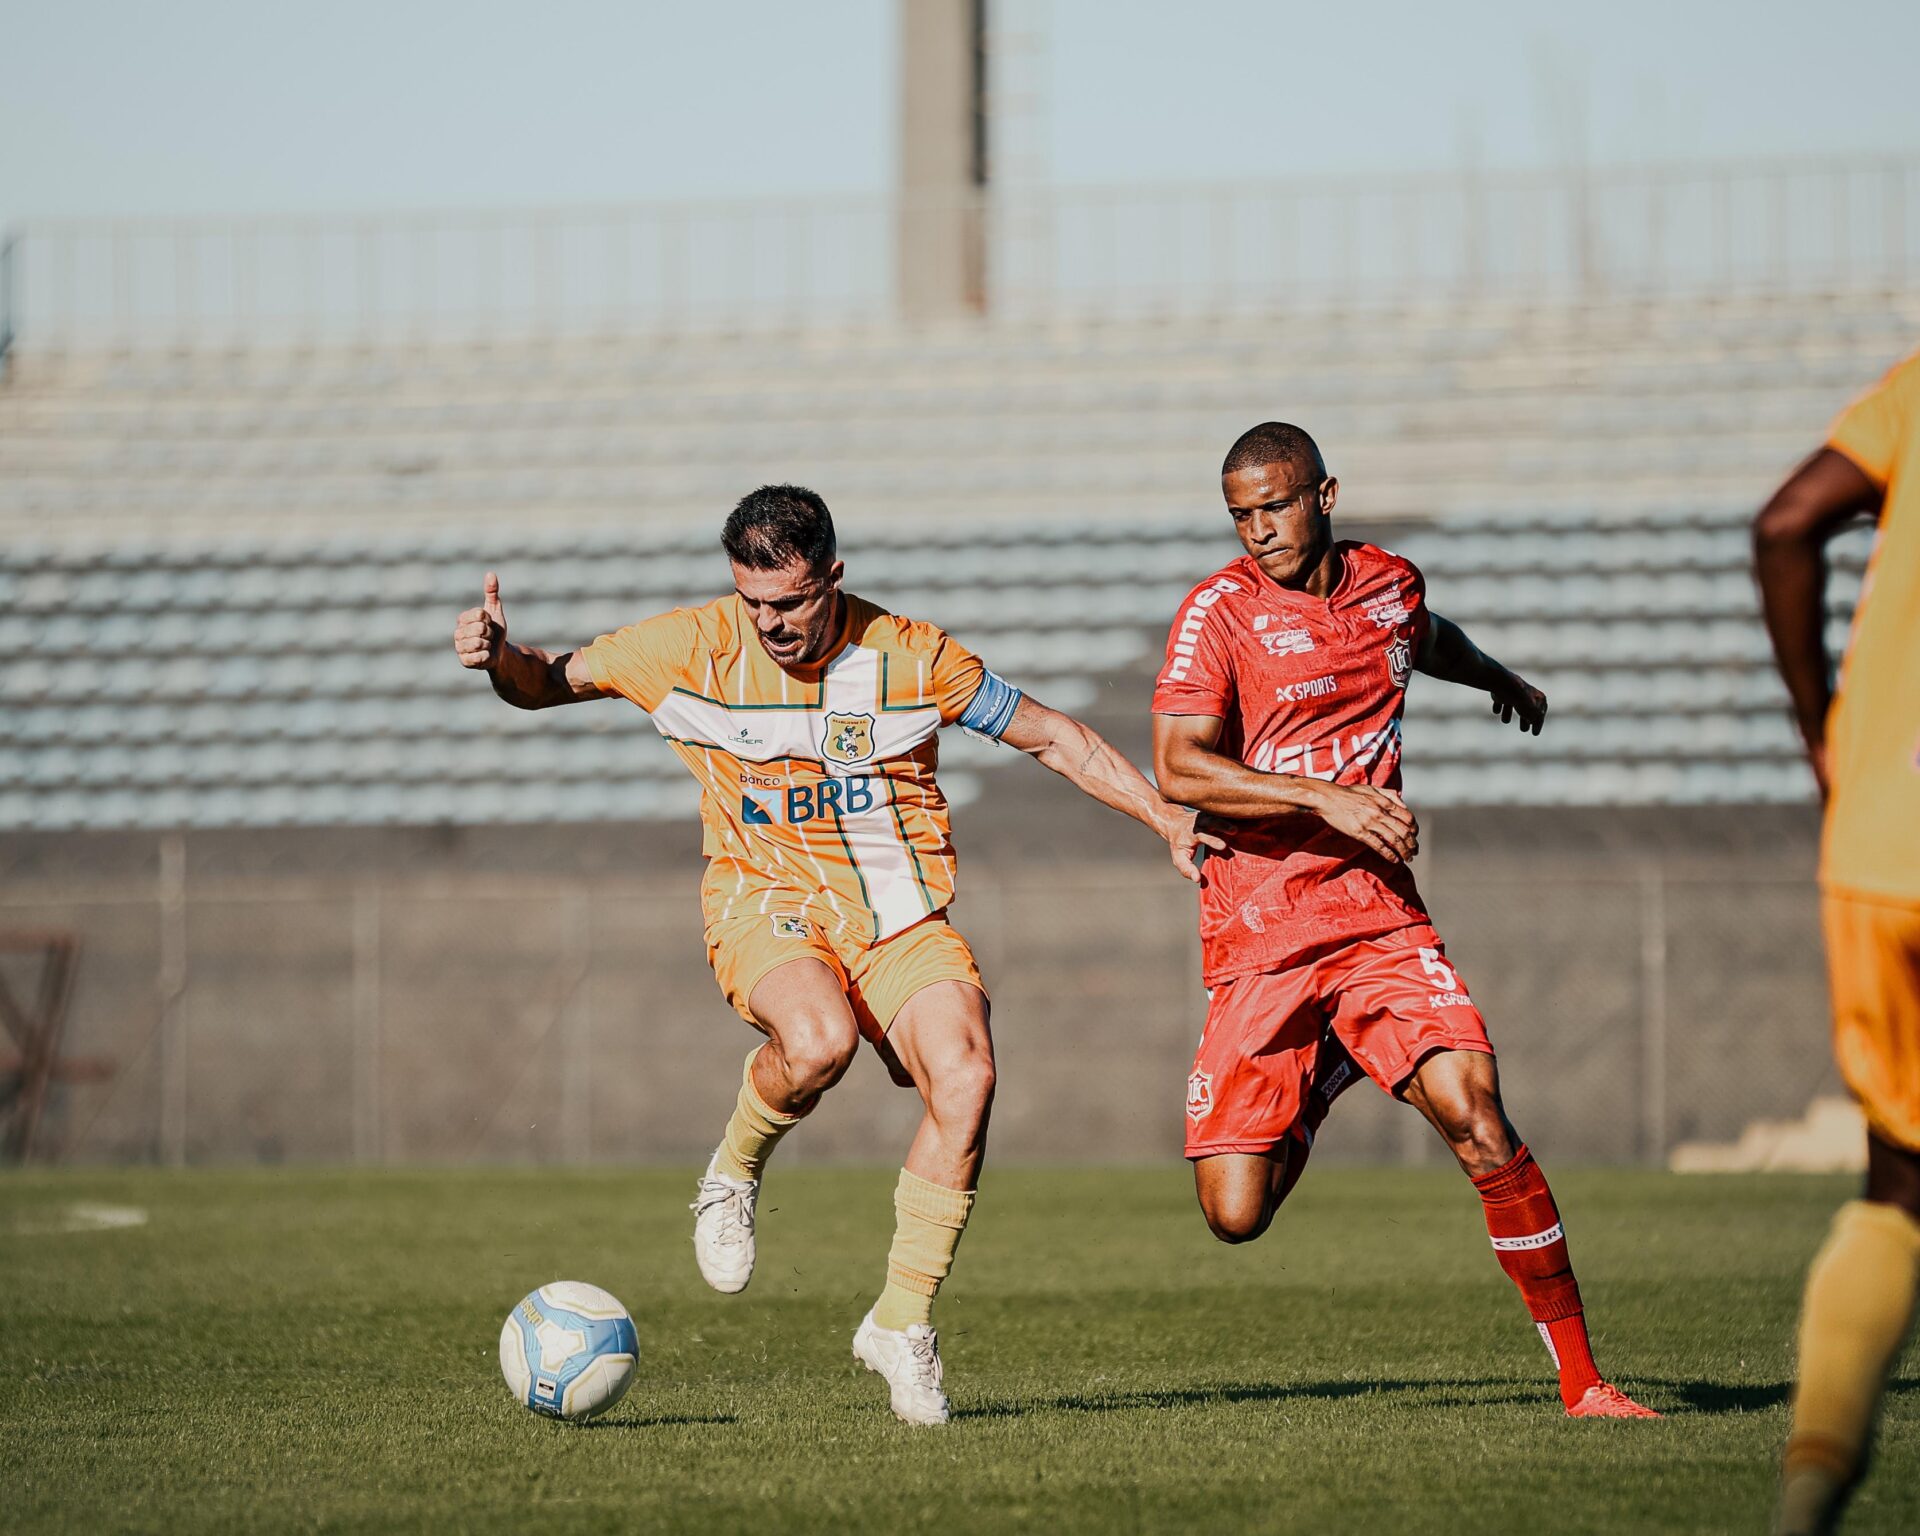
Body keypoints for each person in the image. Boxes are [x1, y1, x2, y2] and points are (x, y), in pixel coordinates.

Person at [452, 483, 1215, 1425]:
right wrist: (496, 659)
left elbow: (1055, 737)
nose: (769, 623)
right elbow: (541, 681)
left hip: (897, 918)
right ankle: (733, 1172)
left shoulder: (913, 658)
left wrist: (1165, 818)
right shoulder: (686, 649)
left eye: (791, 601)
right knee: (817, 1043)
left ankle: (900, 1324)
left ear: (835, 578)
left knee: (967, 1080)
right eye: (753, 601)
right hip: (765, 899)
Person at [1151, 421, 1658, 1419]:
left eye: (1276, 505)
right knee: (1235, 1215)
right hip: (1262, 924)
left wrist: (1499, 678)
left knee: (1477, 1114)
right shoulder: (1217, 613)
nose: (1259, 529)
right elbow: (1178, 766)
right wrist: (1326, 801)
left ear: (1324, 495)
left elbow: (1424, 639)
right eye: (1240, 513)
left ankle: (1583, 1380)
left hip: (1379, 918)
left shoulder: (1389, 580)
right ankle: (1332, 1066)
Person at [1754, 351, 1920, 1535]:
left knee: (1898, 1185)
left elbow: (1786, 522)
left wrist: (1829, 732)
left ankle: (1812, 1491)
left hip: (1884, 839)